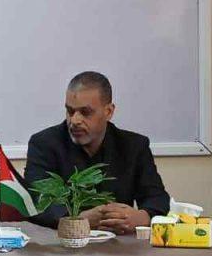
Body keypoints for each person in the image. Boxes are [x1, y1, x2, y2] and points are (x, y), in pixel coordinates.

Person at [25, 71, 170, 232]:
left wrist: (142, 217)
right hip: (63, 242)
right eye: (70, 111)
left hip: (119, 242)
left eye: (85, 112)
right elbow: (36, 201)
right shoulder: (44, 144)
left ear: (108, 112)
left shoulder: (134, 146)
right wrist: (79, 220)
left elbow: (157, 198)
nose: (75, 120)